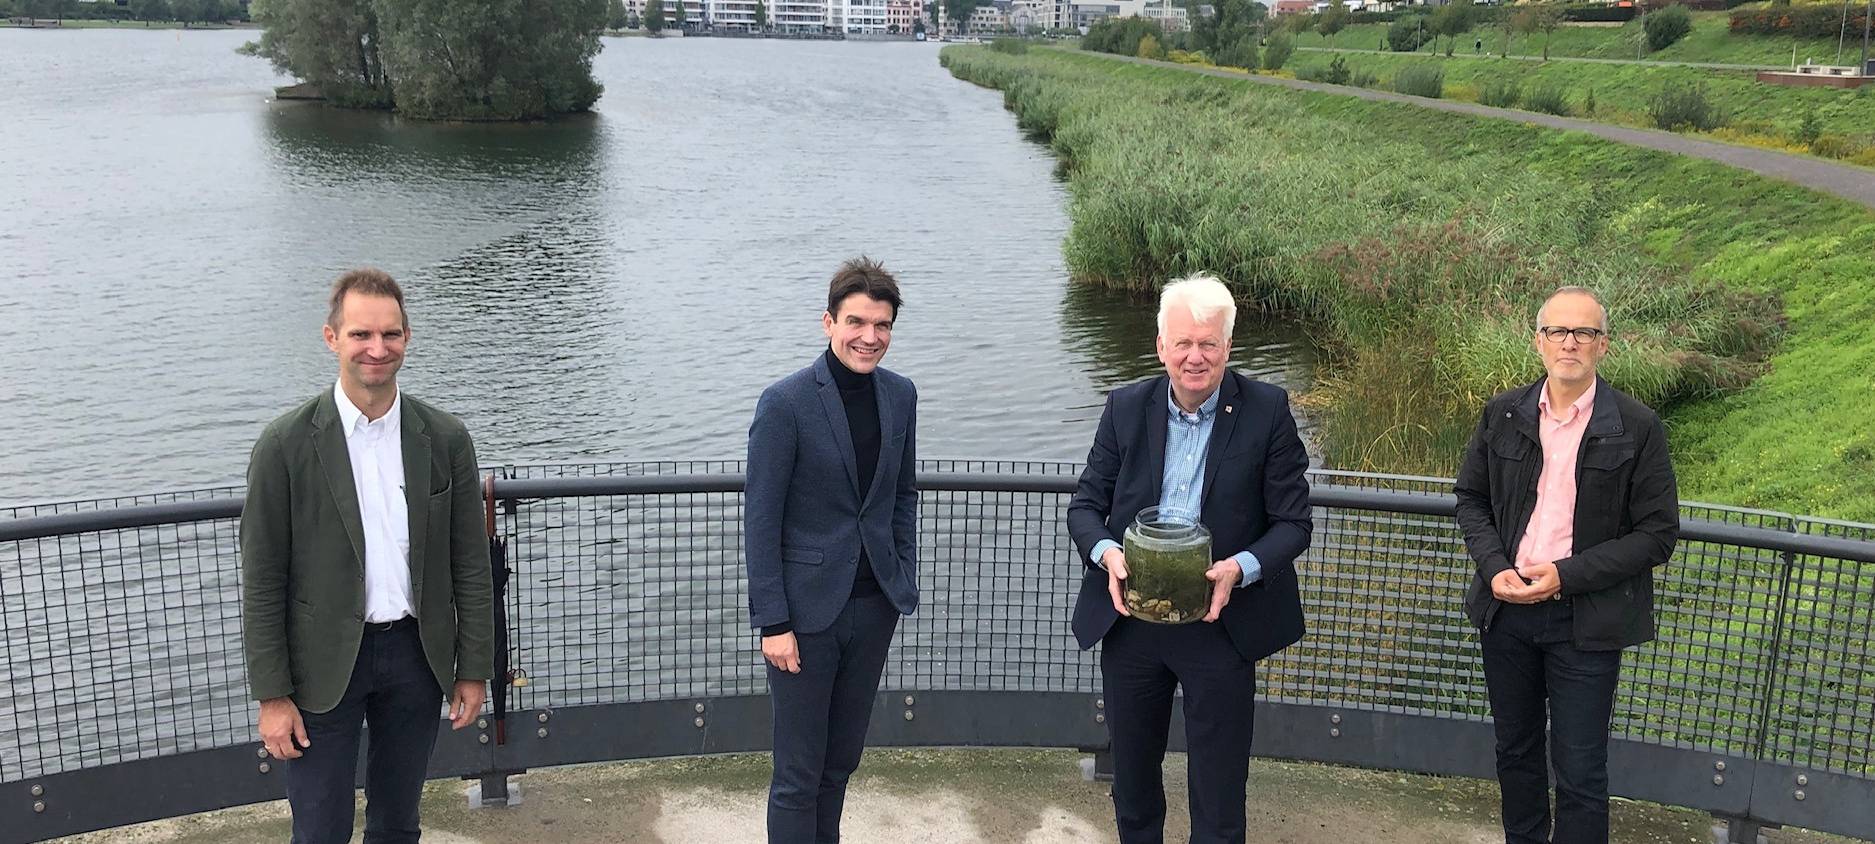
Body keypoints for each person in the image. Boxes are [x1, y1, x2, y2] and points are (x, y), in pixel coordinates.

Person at [241, 268, 494, 844]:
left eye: (390, 335)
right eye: (361, 334)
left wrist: (473, 669)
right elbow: (261, 581)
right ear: (332, 338)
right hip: (321, 666)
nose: (377, 349)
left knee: (398, 824)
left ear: (408, 337)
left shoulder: (446, 439)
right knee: (320, 828)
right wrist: (273, 696)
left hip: (415, 658)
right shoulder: (284, 445)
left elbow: (470, 566)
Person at [1066, 274, 1312, 844]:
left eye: (1208, 343)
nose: (1194, 357)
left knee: (1219, 786)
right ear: (1160, 347)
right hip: (1131, 620)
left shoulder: (1267, 410)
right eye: (1183, 343)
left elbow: (1294, 524)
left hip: (1221, 624)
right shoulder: (1126, 407)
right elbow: (1086, 506)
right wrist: (1108, 555)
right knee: (1131, 780)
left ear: (1228, 347)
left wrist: (1238, 568)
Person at [1454, 286, 1680, 844]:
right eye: (1558, 331)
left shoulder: (1637, 424)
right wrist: (1493, 567)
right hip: (1506, 612)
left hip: (1585, 621)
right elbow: (1471, 498)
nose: (1570, 342)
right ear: (1539, 341)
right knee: (1516, 754)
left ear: (1603, 345)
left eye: (1584, 332)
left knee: (1580, 771)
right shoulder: (1504, 413)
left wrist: (1566, 574)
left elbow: (1657, 534)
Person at [745, 257, 920, 844]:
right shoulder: (785, 403)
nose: (870, 337)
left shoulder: (900, 396)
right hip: (804, 616)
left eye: (883, 325)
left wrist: (902, 579)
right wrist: (773, 620)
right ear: (828, 322)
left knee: (840, 763)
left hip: (874, 608)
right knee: (798, 773)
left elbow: (901, 495)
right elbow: (761, 520)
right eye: (857, 322)